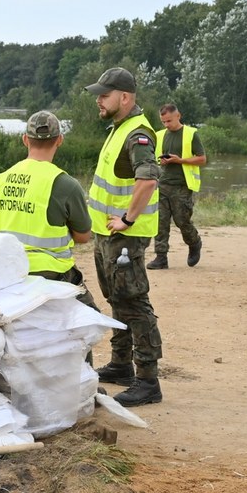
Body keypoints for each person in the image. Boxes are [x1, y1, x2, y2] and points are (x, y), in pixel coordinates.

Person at [84, 67, 164, 407]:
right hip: (108, 235)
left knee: (133, 303)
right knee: (117, 299)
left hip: (125, 238)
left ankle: (148, 381)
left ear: (125, 97)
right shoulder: (119, 128)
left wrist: (128, 219)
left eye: (105, 95)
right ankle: (121, 365)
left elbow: (148, 179)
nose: (99, 100)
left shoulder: (137, 134)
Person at [0, 111, 100, 312]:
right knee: (89, 317)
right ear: (59, 140)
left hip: (9, 270)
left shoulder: (3, 178)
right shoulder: (66, 184)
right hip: (51, 273)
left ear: (25, 140)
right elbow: (83, 237)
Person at [149, 103, 206, 269]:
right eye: (163, 122)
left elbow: (202, 159)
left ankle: (194, 243)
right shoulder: (159, 135)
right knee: (160, 222)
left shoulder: (191, 134)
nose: (166, 125)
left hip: (182, 186)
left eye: (169, 121)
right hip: (162, 184)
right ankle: (161, 257)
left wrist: (179, 160)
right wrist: (162, 161)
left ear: (178, 116)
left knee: (182, 221)